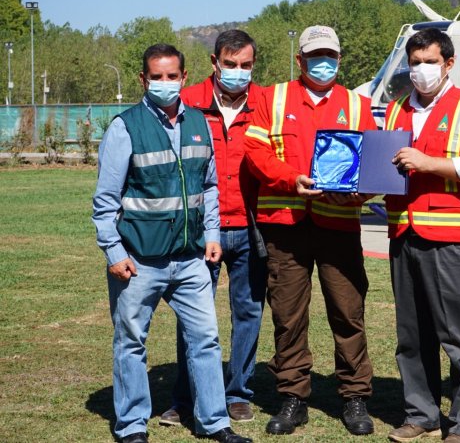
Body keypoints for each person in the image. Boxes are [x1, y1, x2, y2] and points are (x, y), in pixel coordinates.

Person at [92, 44, 251, 443]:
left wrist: (211, 235)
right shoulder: (124, 127)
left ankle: (215, 422)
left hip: (191, 259)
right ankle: (131, 427)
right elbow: (105, 202)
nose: (166, 83)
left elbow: (210, 187)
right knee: (131, 343)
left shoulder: (198, 122)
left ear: (184, 76)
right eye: (157, 77)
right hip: (138, 261)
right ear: (143, 80)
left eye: (172, 76)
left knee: (205, 340)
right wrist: (114, 252)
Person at [244, 25, 377, 436]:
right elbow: (255, 151)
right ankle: (293, 397)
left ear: (340, 59)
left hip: (338, 224)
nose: (324, 63)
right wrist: (289, 179)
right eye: (315, 56)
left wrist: (362, 191)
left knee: (348, 313)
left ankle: (355, 398)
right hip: (285, 225)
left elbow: (372, 162)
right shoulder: (272, 97)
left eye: (331, 56)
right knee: (287, 316)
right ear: (299, 60)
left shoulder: (358, 104)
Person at [384, 27, 460, 443]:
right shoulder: (396, 110)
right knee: (411, 335)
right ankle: (422, 413)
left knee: (459, 335)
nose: (420, 70)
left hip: (453, 238)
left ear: (449, 64)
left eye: (429, 62)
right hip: (405, 233)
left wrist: (431, 163)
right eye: (414, 63)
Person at [159, 30, 267, 426]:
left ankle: (238, 392)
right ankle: (185, 397)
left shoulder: (266, 103)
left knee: (248, 312)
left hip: (251, 227)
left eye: (246, 66)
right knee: (193, 316)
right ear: (214, 62)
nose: (239, 72)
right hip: (202, 229)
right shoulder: (187, 103)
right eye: (231, 64)